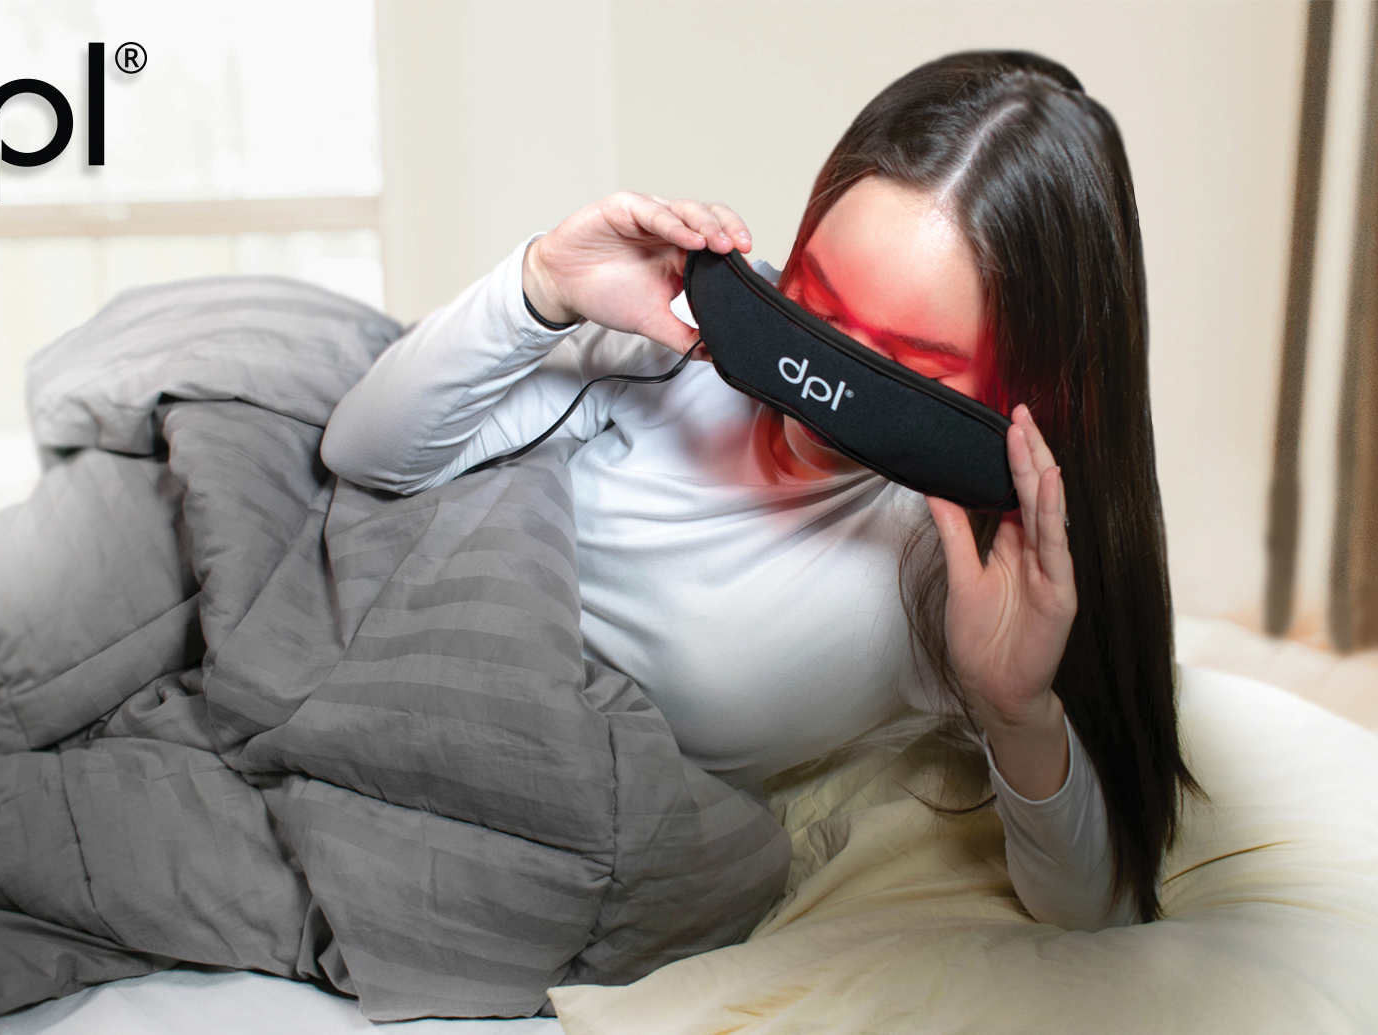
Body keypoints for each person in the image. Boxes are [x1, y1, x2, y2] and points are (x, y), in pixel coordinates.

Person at [322, 50, 1198, 931]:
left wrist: (1019, 711)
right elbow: (367, 452)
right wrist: (541, 283)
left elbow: (1098, 914)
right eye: (817, 306)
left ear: (1021, 390)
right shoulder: (692, 334)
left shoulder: (955, 575)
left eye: (905, 365)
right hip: (404, 626)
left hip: (546, 797)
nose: (826, 381)